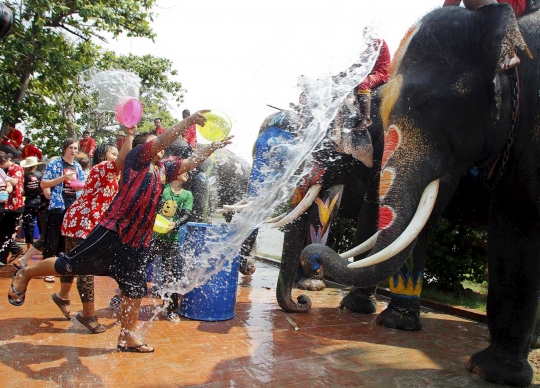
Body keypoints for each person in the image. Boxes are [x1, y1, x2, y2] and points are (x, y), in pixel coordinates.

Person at [8, 110, 233, 353]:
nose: (161, 148)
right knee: (70, 265)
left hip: (138, 239)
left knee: (135, 288)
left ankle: (127, 336)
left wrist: (212, 147)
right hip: (113, 230)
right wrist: (188, 122)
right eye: (155, 145)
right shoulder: (137, 159)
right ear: (142, 148)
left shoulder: (163, 168)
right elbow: (162, 140)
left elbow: (190, 162)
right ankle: (27, 273)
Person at [51, 135, 130, 333]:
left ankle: (62, 296)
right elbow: (123, 159)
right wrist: (129, 136)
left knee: (72, 263)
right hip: (82, 223)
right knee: (83, 268)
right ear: (104, 155)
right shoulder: (103, 167)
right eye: (113, 152)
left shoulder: (112, 174)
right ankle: (88, 315)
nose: (117, 156)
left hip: (83, 223)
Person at [150, 171, 193, 323]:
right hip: (154, 237)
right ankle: (121, 296)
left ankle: (169, 309)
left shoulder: (187, 195)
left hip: (172, 239)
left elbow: (187, 214)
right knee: (139, 266)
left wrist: (175, 224)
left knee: (171, 275)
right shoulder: (163, 188)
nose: (187, 173)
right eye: (184, 170)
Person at [40, 138, 84, 282]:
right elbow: (44, 183)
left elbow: (81, 185)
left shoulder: (77, 166)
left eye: (76, 148)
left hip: (72, 207)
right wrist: (63, 178)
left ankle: (62, 269)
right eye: (71, 147)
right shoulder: (54, 163)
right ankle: (48, 270)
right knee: (52, 240)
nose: (73, 151)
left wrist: (78, 186)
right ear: (65, 148)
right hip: (57, 206)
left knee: (67, 241)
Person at [351, 29, 390, 130]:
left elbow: (364, 62)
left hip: (380, 74)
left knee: (364, 83)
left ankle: (366, 118)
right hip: (372, 72)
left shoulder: (377, 42)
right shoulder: (369, 46)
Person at [0, 151, 25, 265]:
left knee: (8, 233)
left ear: (4, 161)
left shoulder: (16, 168)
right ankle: (12, 251)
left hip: (15, 206)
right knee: (3, 232)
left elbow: (15, 181)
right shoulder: (4, 169)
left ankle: (7, 255)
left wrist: (4, 176)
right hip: (5, 205)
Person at [20, 156, 44, 251]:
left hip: (29, 203)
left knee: (28, 226)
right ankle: (42, 246)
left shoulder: (24, 177)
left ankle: (29, 247)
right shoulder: (40, 175)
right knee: (41, 225)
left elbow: (23, 192)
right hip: (39, 203)